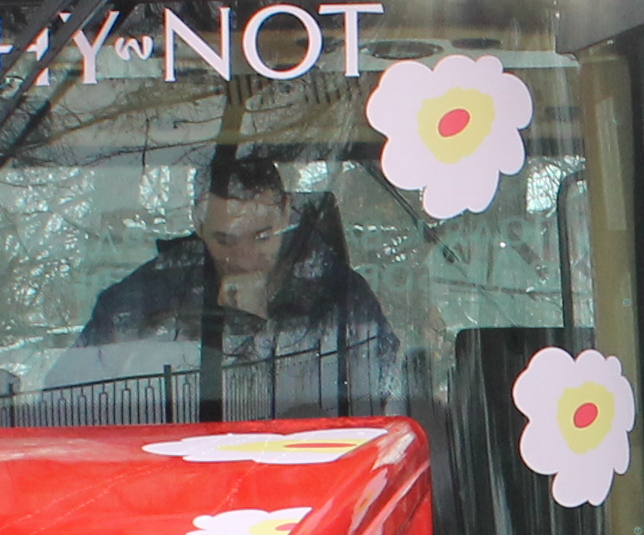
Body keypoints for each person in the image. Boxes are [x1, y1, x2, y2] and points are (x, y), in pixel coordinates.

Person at [77, 148, 405, 417]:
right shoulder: (137, 305)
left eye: (262, 237)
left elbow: (385, 412)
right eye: (226, 241)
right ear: (198, 223)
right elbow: (79, 409)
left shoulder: (343, 301)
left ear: (286, 212)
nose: (245, 258)